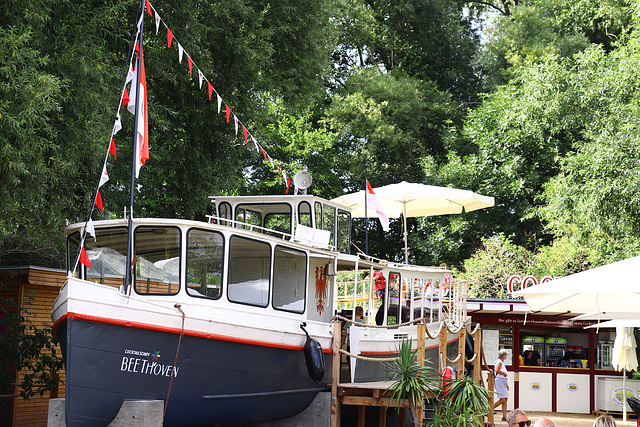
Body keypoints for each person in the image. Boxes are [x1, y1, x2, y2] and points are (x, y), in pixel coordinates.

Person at [493, 349, 510, 421]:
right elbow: (497, 370)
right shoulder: (500, 362)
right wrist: (504, 373)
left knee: (505, 398)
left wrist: (506, 384)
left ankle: (504, 416)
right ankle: (489, 409)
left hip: (502, 381)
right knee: (503, 399)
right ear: (504, 356)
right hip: (500, 381)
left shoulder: (499, 362)